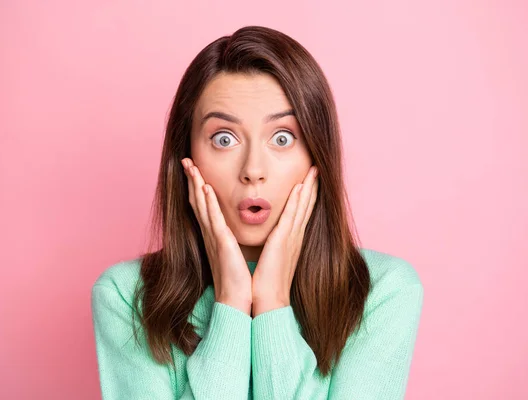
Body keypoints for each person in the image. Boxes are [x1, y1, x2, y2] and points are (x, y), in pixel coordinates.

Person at [91, 25, 424, 400]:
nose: (253, 169)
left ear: (318, 153)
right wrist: (231, 303)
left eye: (282, 138)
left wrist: (272, 306)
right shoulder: (127, 296)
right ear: (187, 158)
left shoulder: (381, 291)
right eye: (224, 138)